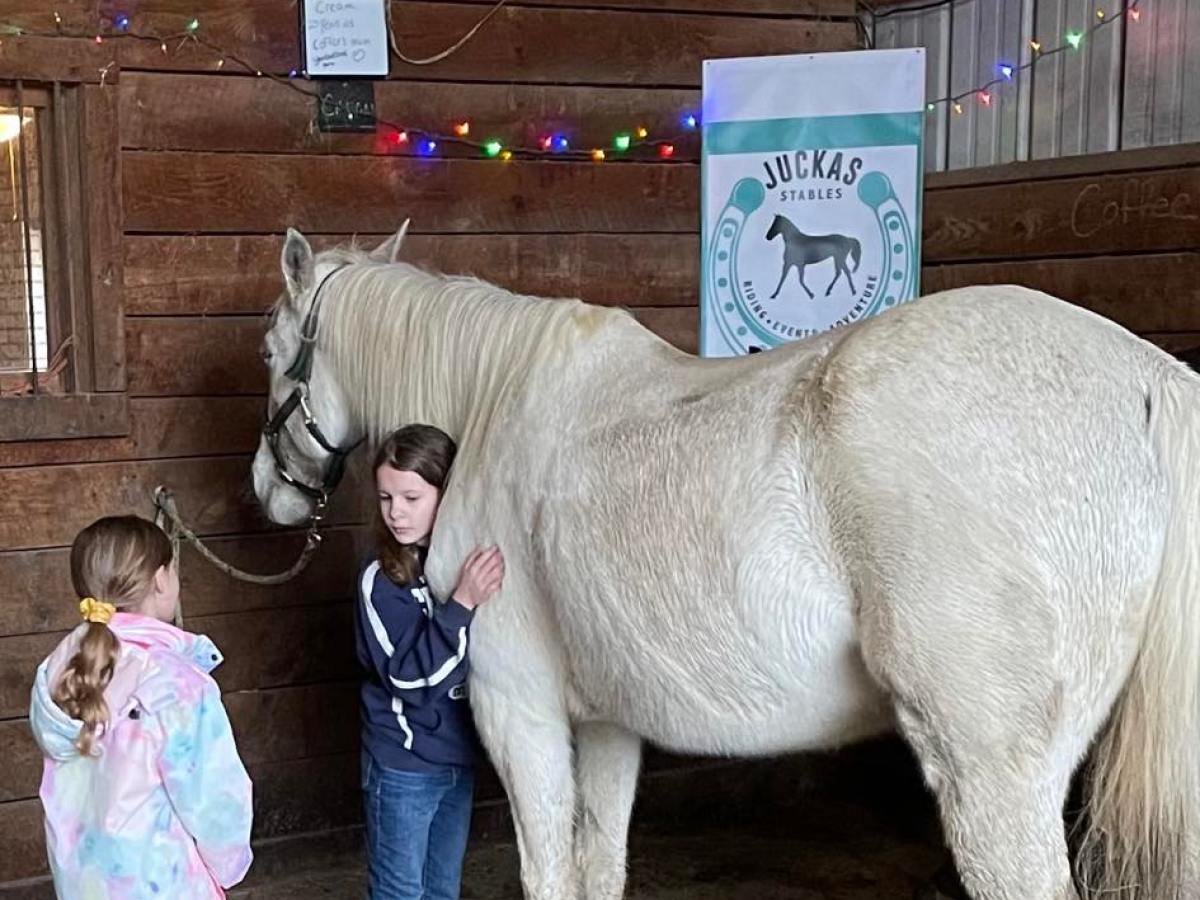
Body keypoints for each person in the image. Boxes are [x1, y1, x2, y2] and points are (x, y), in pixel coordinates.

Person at [29, 515, 253, 899]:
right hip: (166, 883)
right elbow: (214, 794)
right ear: (162, 579)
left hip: (85, 883)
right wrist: (228, 865)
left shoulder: (59, 671)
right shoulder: (176, 682)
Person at [358, 424, 505, 900]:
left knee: (442, 891)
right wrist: (461, 603)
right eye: (386, 498)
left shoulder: (451, 561)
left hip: (457, 761)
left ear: (447, 494)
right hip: (404, 766)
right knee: (401, 893)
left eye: (411, 498)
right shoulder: (381, 580)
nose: (396, 512)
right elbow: (410, 679)